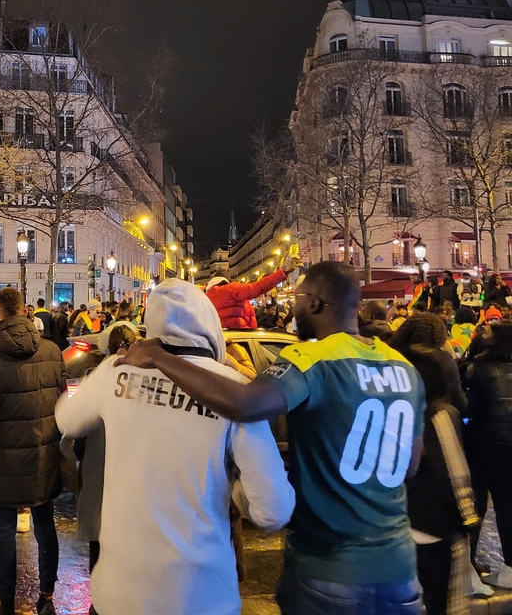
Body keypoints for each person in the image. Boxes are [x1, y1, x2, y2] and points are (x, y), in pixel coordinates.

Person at [117, 261, 426, 614]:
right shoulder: (403, 367)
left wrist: (158, 356)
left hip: (328, 567)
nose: (294, 308)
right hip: (400, 571)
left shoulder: (312, 359)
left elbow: (245, 404)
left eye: (298, 298)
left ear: (315, 304)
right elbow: (411, 464)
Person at [58, 279, 294, 615]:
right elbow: (273, 509)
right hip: (201, 597)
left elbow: (66, 417)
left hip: (121, 595)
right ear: (209, 324)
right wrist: (239, 492)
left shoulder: (117, 372)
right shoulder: (233, 391)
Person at [0, 287, 66, 615]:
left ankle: (6, 603)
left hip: (3, 458)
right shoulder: (52, 350)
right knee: (44, 523)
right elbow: (62, 403)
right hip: (44, 453)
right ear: (25, 311)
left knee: (5, 532)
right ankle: (47, 595)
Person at [400, 345, 478, 615]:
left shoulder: (402, 414)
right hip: (434, 527)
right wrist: (466, 517)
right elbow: (455, 472)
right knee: (440, 603)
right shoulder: (441, 413)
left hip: (404, 526)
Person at [72, 324, 138, 573]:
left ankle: (98, 603)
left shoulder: (95, 378)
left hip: (97, 471)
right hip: (132, 480)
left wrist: (81, 459)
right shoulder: (146, 379)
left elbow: (77, 429)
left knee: (98, 546)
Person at [463, 319, 512, 587]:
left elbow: (471, 410)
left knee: (475, 507)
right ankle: (510, 569)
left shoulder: (478, 367)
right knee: (507, 507)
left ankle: (467, 569)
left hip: (485, 448)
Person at [390, 313, 467, 415]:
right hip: (429, 421)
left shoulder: (389, 355)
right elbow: (458, 401)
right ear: (439, 336)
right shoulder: (443, 360)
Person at [204, 255, 301, 330]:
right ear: (229, 280)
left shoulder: (204, 294)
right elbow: (257, 287)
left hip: (219, 335)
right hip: (240, 336)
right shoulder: (231, 289)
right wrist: (284, 272)